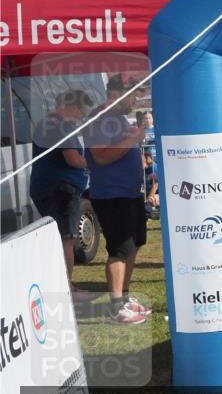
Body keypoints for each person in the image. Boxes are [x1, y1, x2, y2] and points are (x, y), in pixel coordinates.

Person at [82, 75, 153, 324]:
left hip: (129, 193)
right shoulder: (99, 119)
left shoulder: (118, 119)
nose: (135, 100)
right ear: (115, 93)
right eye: (132, 94)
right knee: (119, 250)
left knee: (132, 246)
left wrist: (134, 139)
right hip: (111, 195)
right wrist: (132, 139)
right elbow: (100, 157)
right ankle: (115, 307)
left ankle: (123, 298)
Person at [29, 89, 96, 302]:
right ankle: (68, 289)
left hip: (52, 188)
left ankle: (65, 286)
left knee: (62, 238)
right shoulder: (59, 125)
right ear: (71, 106)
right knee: (67, 239)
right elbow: (73, 159)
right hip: (60, 190)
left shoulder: (49, 124)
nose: (81, 116)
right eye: (81, 111)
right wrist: (94, 163)